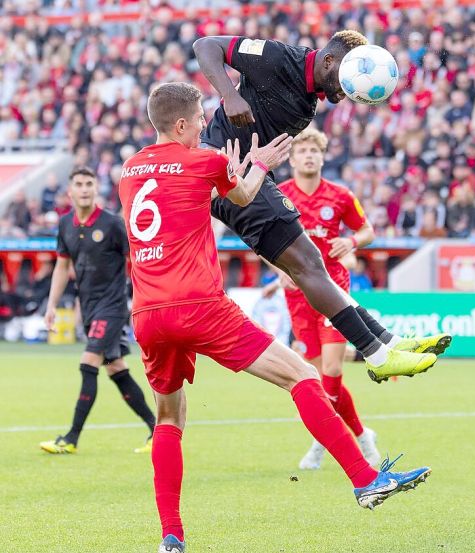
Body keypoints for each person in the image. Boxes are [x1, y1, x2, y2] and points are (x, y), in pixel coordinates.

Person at [121, 83, 430, 553]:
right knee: (302, 376)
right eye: (201, 116)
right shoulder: (203, 159)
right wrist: (260, 163)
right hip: (200, 305)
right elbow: (243, 197)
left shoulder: (129, 168)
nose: (206, 123)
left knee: (169, 417)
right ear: (181, 124)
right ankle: (365, 479)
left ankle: (171, 535)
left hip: (146, 312)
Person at [193, 30, 448, 383]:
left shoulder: (308, 102)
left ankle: (387, 342)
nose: (343, 96)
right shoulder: (277, 58)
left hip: (248, 176)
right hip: (228, 171)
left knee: (313, 266)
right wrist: (230, 96)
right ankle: (378, 354)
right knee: (310, 265)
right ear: (329, 61)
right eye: (343, 85)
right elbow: (205, 45)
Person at [275, 128, 382, 469]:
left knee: (334, 367)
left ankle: (320, 442)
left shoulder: (340, 195)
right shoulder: (279, 196)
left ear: (322, 158)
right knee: (319, 377)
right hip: (297, 294)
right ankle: (363, 435)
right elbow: (260, 238)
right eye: (302, 151)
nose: (309, 156)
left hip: (333, 288)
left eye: (314, 151)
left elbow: (366, 231)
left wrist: (351, 243)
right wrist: (277, 268)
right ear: (291, 159)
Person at [38, 167, 157, 455]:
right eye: (78, 184)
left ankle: (71, 438)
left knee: (88, 363)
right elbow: (62, 266)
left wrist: (145, 295)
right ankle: (157, 430)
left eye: (89, 183)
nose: (84, 189)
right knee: (117, 370)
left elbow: (139, 258)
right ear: (70, 191)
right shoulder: (66, 224)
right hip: (90, 307)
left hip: (113, 307)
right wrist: (51, 305)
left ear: (96, 188)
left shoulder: (113, 224)